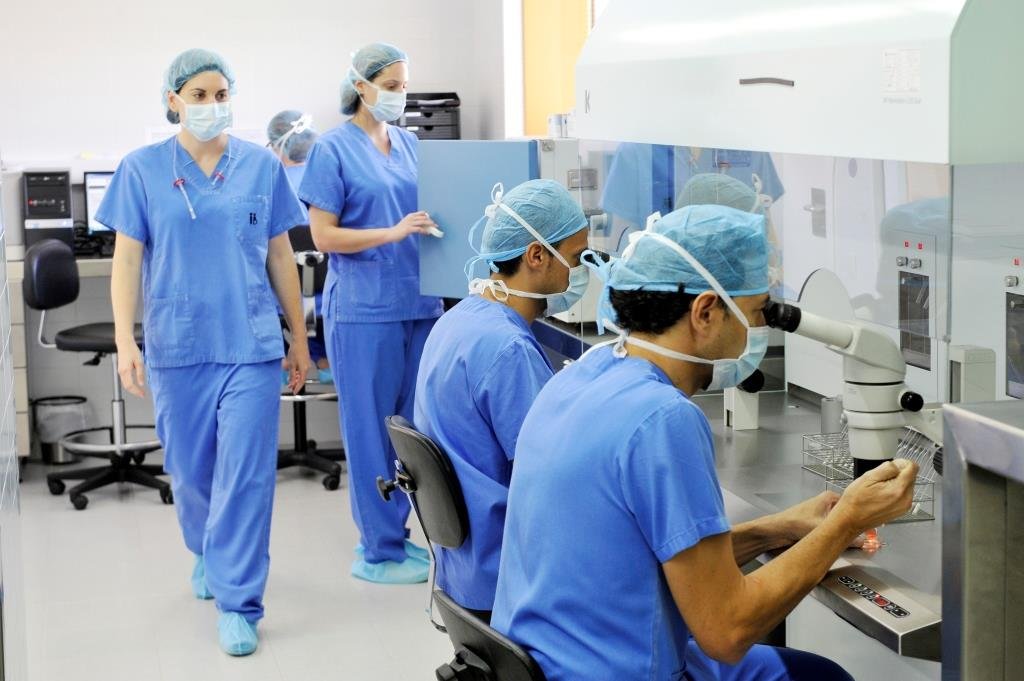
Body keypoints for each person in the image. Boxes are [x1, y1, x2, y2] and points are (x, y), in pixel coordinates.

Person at [491, 204, 918, 679]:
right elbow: (727, 631)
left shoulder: (583, 376)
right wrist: (846, 522)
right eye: (756, 313)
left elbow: (648, 558)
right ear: (706, 311)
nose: (759, 330)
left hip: (551, 660)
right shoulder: (663, 420)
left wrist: (779, 528)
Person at [103, 48, 310, 656]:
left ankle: (239, 601)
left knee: (245, 478)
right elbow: (126, 260)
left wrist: (298, 336)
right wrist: (124, 339)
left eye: (221, 94)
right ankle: (206, 549)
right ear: (173, 101)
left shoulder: (260, 168)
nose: (212, 107)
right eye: (198, 96)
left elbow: (280, 257)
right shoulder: (140, 169)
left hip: (250, 344)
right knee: (191, 474)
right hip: (177, 344)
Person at [298, 43, 443, 584]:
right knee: (369, 429)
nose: (400, 96)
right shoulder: (331, 150)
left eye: (405, 86)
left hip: (419, 301)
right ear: (362, 87)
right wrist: (393, 232)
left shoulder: (410, 143)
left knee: (412, 427)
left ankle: (405, 533)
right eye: (392, 85)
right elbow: (323, 235)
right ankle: (379, 548)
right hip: (363, 308)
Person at [413, 179, 591, 620]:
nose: (582, 271)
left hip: (465, 565)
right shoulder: (509, 350)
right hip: (508, 573)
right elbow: (553, 477)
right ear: (535, 256)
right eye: (575, 258)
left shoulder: (458, 321)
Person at [266, 110, 332, 383]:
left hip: (283, 310)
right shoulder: (327, 181)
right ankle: (324, 359)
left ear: (276, 145)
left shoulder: (269, 184)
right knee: (312, 312)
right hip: (324, 308)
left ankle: (280, 361)